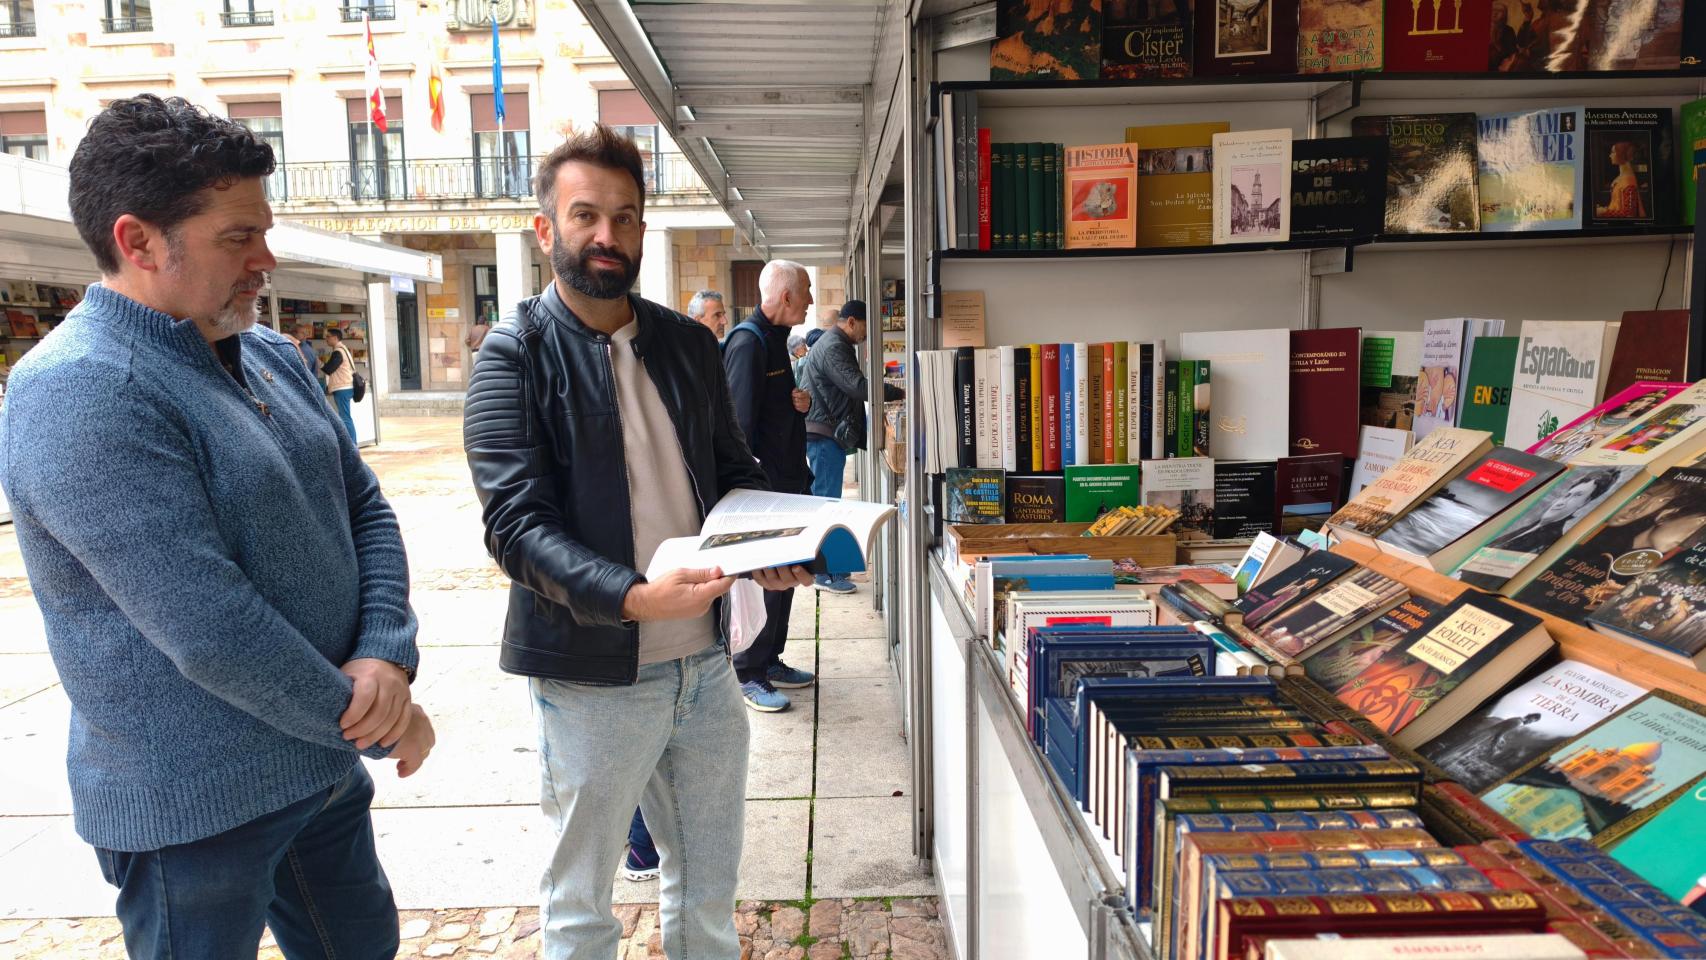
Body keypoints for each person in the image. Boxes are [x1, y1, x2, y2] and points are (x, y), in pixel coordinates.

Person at [0, 94, 433, 960]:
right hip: (192, 808)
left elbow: (364, 509)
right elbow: (209, 628)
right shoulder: (82, 390)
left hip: (318, 763)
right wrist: (379, 718)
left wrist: (385, 649)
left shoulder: (269, 353)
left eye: (263, 232)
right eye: (238, 238)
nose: (266, 259)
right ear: (138, 241)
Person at [462, 123, 811, 960]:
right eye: (585, 215)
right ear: (546, 230)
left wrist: (774, 547)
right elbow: (515, 526)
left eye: (625, 215)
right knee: (581, 905)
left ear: (644, 229)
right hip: (590, 676)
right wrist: (630, 596)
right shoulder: (513, 356)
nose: (607, 234)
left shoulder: (688, 345)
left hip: (703, 663)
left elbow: (732, 476)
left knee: (708, 892)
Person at [723, 259, 817, 712]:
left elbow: (771, 407)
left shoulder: (777, 340)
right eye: (807, 292)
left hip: (787, 484)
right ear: (786, 297)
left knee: (785, 580)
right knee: (765, 581)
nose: (811, 301)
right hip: (766, 491)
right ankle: (749, 671)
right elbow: (738, 425)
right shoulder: (748, 341)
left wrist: (797, 402)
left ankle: (771, 658)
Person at [796, 299, 905, 593]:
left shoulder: (837, 344)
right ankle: (823, 574)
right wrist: (899, 390)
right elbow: (857, 386)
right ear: (852, 322)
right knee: (826, 505)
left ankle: (833, 569)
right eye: (866, 329)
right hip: (823, 435)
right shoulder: (834, 346)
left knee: (829, 502)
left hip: (825, 433)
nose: (866, 336)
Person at [322, 326, 358, 441]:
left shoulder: (338, 352)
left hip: (343, 387)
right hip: (345, 386)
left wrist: (319, 363)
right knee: (345, 416)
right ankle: (352, 443)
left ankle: (352, 444)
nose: (326, 339)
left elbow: (329, 369)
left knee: (345, 417)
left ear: (335, 337)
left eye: (328, 337)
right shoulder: (343, 349)